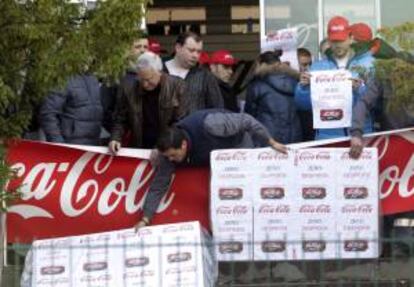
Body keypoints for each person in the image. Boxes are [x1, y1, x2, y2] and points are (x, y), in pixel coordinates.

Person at [136, 109, 287, 229]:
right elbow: (158, 185)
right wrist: (145, 218)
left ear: (183, 145)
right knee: (217, 195)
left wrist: (271, 142)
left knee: (241, 188)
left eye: (173, 156)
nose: (171, 160)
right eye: (168, 157)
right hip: (210, 155)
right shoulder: (169, 153)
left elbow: (246, 120)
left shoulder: (212, 124)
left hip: (236, 144)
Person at [295, 16, 375, 140]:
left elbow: (379, 103)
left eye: (341, 40)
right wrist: (303, 88)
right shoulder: (317, 67)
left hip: (361, 135)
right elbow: (302, 106)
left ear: (350, 38)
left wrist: (360, 89)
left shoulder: (368, 64)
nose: (338, 45)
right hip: (327, 137)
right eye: (334, 41)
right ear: (328, 40)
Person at [109, 52, 190, 153]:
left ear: (159, 72)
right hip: (139, 146)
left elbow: (181, 122)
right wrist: (115, 138)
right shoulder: (128, 88)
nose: (145, 84)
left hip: (167, 148)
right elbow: (120, 119)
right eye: (141, 79)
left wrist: (163, 145)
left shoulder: (178, 86)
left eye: (149, 79)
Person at [245, 51, 302, 144]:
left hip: (268, 139)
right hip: (295, 136)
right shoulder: (296, 82)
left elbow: (250, 116)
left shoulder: (257, 85)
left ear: (262, 64)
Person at [164, 32, 224, 112]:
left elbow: (217, 109)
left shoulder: (205, 76)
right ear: (178, 48)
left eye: (199, 52)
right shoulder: (160, 71)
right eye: (191, 50)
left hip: (195, 124)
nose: (195, 55)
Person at [39, 74, 103, 145]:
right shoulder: (64, 78)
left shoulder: (93, 79)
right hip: (69, 144)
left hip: (92, 144)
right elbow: (48, 113)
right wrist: (58, 143)